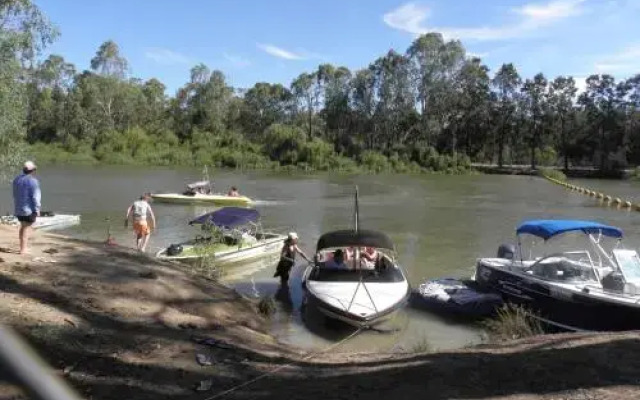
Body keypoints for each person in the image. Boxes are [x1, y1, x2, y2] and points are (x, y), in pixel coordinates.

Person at [12, 161, 41, 255]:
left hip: (18, 208)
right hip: (28, 209)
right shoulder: (33, 181)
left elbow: (14, 194)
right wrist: (37, 209)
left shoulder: (16, 179)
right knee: (26, 228)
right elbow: (36, 197)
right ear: (33, 170)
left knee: (23, 226)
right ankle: (23, 250)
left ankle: (22, 247)